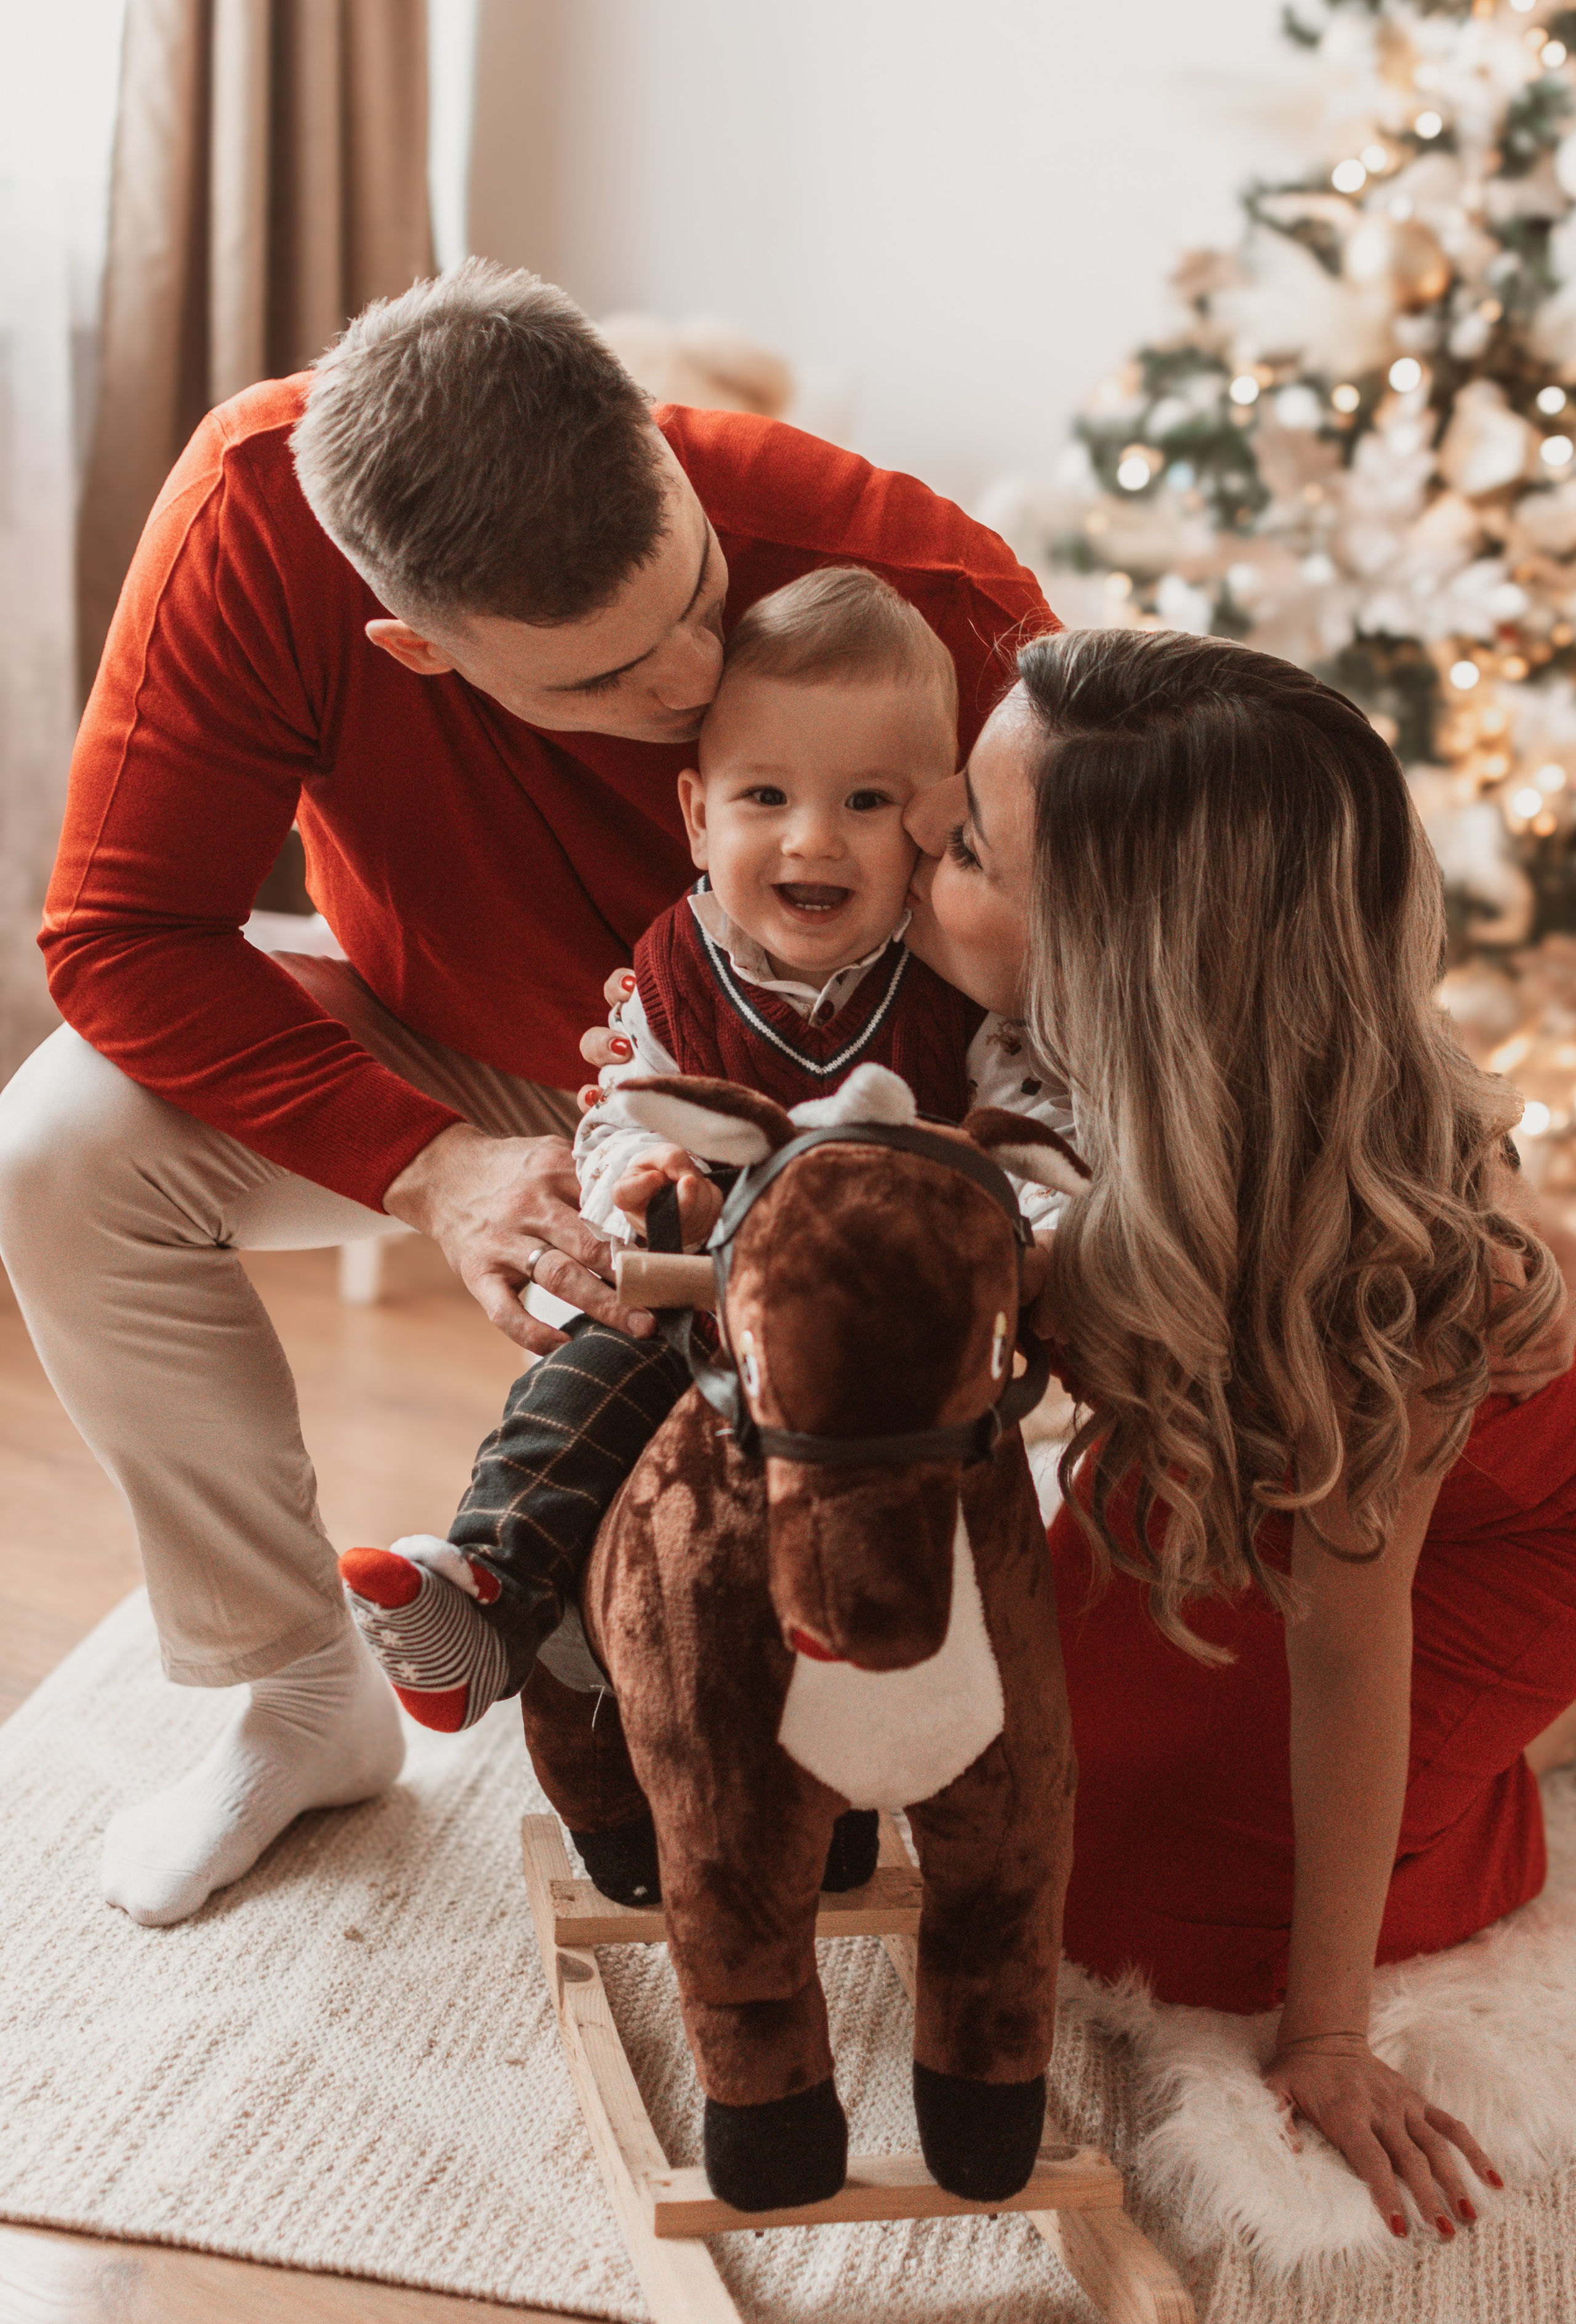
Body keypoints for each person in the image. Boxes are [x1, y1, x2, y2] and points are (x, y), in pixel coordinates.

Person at [0, 260, 1053, 1929]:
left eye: (698, 595)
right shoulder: (251, 526)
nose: (697, 678)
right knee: (55, 1152)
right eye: (608, 680)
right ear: (412, 648)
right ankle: (301, 1699)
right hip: (476, 1054)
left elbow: (1082, 961)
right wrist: (430, 1164)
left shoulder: (916, 573)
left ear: (653, 443)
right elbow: (123, 936)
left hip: (849, 1097)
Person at [890, 626, 1576, 2248]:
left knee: (1160, 1910)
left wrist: (1328, 2030)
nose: (920, 830)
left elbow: (1352, 1649)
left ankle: (1522, 1757)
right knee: (1002, 1772)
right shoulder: (1107, 1083)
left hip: (1477, 1534)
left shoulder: (1381, 1285)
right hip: (1257, 1436)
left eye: (971, 845)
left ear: (1117, 968)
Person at [336, 566, 1071, 1742]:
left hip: (889, 1332)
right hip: (702, 1297)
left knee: (908, 1483)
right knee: (578, 1382)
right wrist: (638, 1185)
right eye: (767, 795)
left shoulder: (951, 976)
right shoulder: (680, 962)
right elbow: (625, 1106)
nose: (813, 839)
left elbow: (1032, 1135)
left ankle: (885, 1687)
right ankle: (487, 1590)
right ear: (696, 817)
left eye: (869, 803)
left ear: (935, 819)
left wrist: (1023, 1243)